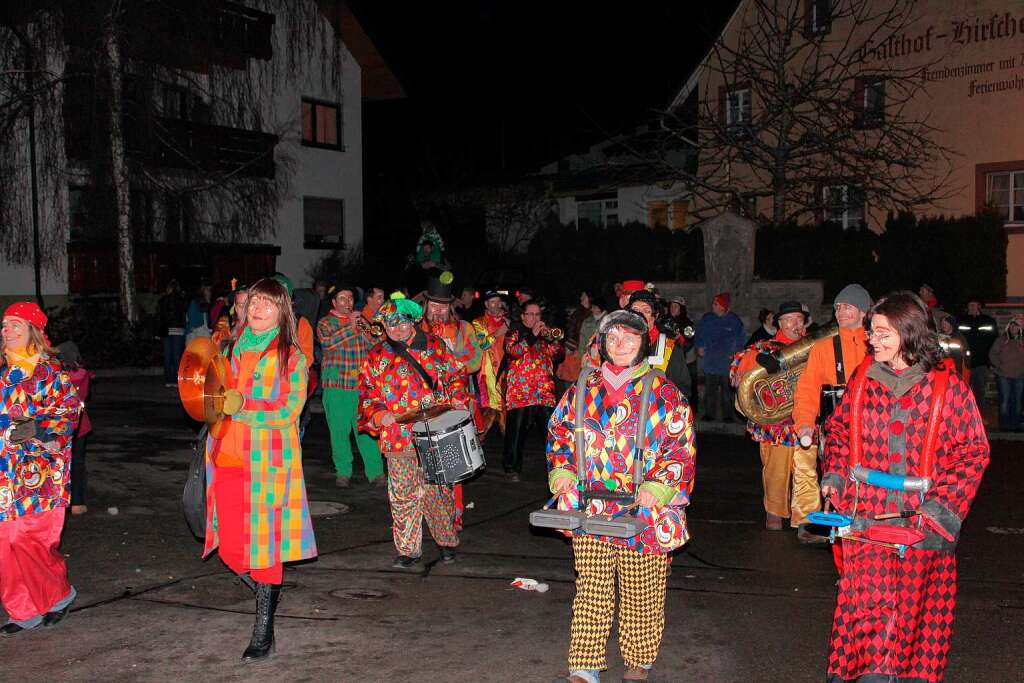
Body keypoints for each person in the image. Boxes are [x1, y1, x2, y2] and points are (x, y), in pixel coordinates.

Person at [821, 291, 989, 683]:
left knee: (917, 621)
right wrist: (835, 476)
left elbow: (972, 453)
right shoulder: (863, 379)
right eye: (871, 334)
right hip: (867, 521)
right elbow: (841, 431)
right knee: (866, 619)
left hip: (922, 524)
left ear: (908, 334)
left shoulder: (949, 389)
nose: (871, 341)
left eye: (882, 334)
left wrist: (938, 508)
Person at [546, 310, 695, 683]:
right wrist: (563, 472)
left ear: (643, 344)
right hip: (591, 508)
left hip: (644, 512)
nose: (621, 345)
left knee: (641, 590)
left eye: (630, 339)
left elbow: (680, 446)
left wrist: (657, 486)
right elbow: (560, 434)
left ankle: (638, 658)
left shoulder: (664, 393)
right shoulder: (582, 387)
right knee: (591, 589)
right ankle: (586, 663)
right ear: (602, 343)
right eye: (613, 338)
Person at [202, 278, 317, 661]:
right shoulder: (231, 348)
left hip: (266, 465)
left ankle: (263, 630)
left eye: (267, 304)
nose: (257, 310)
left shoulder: (291, 357)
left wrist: (244, 406)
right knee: (233, 549)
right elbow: (215, 396)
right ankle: (270, 592)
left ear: (282, 311)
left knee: (265, 550)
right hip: (228, 459)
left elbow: (288, 411)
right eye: (253, 303)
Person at [358, 293, 469, 569]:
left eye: (400, 322)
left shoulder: (435, 347)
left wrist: (457, 398)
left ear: (412, 321)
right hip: (398, 437)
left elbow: (456, 375)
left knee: (438, 492)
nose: (395, 328)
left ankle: (445, 540)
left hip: (435, 432)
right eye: (388, 324)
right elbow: (368, 392)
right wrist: (378, 414)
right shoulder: (376, 355)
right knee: (403, 494)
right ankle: (408, 549)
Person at [0, 302, 82, 635]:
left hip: (39, 472)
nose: (7, 331)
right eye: (4, 326)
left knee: (29, 538)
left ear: (33, 331)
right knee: (5, 541)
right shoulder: (2, 371)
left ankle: (58, 594)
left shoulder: (50, 372)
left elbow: (69, 413)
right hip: (4, 471)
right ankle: (22, 609)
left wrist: (39, 428)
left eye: (15, 325)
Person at [731, 301, 821, 541]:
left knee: (807, 470)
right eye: (789, 320)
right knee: (776, 470)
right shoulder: (764, 347)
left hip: (807, 418)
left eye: (799, 319)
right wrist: (758, 362)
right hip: (777, 423)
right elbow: (739, 370)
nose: (795, 324)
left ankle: (806, 519)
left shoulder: (816, 346)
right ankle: (775, 512)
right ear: (778, 324)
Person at [793, 282, 872, 462]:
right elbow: (808, 388)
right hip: (836, 433)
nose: (840, 312)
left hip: (873, 432)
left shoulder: (878, 344)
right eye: (837, 307)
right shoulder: (823, 347)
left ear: (863, 312)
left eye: (847, 307)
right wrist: (805, 422)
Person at [317, 283, 385, 488]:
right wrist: (350, 325)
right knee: (339, 433)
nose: (348, 303)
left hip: (361, 387)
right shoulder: (325, 322)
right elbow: (328, 343)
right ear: (334, 302)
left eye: (350, 299)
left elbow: (378, 343)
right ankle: (343, 472)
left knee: (366, 431)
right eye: (343, 299)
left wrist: (366, 328)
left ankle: (376, 473)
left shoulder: (361, 321)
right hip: (336, 387)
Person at [502, 301, 562, 481]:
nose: (535, 318)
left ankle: (556, 469)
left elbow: (558, 355)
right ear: (522, 316)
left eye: (537, 315)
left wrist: (554, 340)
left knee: (550, 434)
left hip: (544, 392)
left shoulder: (545, 335)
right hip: (521, 393)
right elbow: (513, 351)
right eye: (531, 314)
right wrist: (532, 336)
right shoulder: (514, 332)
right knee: (516, 433)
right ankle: (512, 468)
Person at [626, 289, 692, 398]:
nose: (639, 315)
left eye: (646, 311)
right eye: (635, 310)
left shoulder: (670, 349)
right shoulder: (618, 347)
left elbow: (682, 392)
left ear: (655, 316)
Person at [694, 292, 746, 421]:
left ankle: (728, 415)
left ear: (723, 306)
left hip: (726, 363)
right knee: (710, 389)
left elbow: (741, 339)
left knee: (727, 391)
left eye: (715, 304)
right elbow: (699, 333)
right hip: (710, 361)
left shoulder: (734, 321)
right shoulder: (707, 319)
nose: (713, 305)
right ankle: (709, 414)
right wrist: (699, 346)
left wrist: (736, 355)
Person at [56, 341, 93, 516]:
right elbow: (84, 395)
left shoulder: (56, 375)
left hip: (60, 424)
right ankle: (78, 502)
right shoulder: (83, 374)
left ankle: (60, 500)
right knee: (77, 463)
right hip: (80, 423)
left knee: (59, 464)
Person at [473, 291, 510, 439]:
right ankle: (478, 445)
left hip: (507, 370)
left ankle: (510, 449)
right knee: (489, 410)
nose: (496, 305)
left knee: (505, 409)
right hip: (488, 373)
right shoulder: (479, 322)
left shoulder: (507, 320)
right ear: (486, 304)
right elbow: (481, 344)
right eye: (492, 302)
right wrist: (498, 333)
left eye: (498, 301)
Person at [956, 300, 999, 408]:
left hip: (981, 362)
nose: (972, 307)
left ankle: (979, 415)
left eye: (974, 305)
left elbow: (994, 341)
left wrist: (990, 359)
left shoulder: (988, 321)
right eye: (970, 304)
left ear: (979, 306)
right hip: (964, 362)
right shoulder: (961, 320)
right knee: (964, 389)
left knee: (980, 390)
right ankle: (965, 414)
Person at [989, 316, 1024, 432]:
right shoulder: (1001, 340)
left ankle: (1016, 425)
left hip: (1020, 376)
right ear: (1009, 326)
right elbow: (992, 354)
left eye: (1016, 326)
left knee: (1017, 401)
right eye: (1012, 325)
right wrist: (999, 366)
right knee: (1005, 400)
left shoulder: (1022, 341)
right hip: (1004, 375)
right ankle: (1004, 425)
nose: (1014, 328)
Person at [158, 279, 187, 387]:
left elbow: (160, 316)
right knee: (176, 356)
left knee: (167, 356)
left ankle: (168, 380)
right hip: (178, 330)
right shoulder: (181, 299)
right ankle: (176, 380)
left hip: (166, 330)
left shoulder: (163, 300)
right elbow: (184, 314)